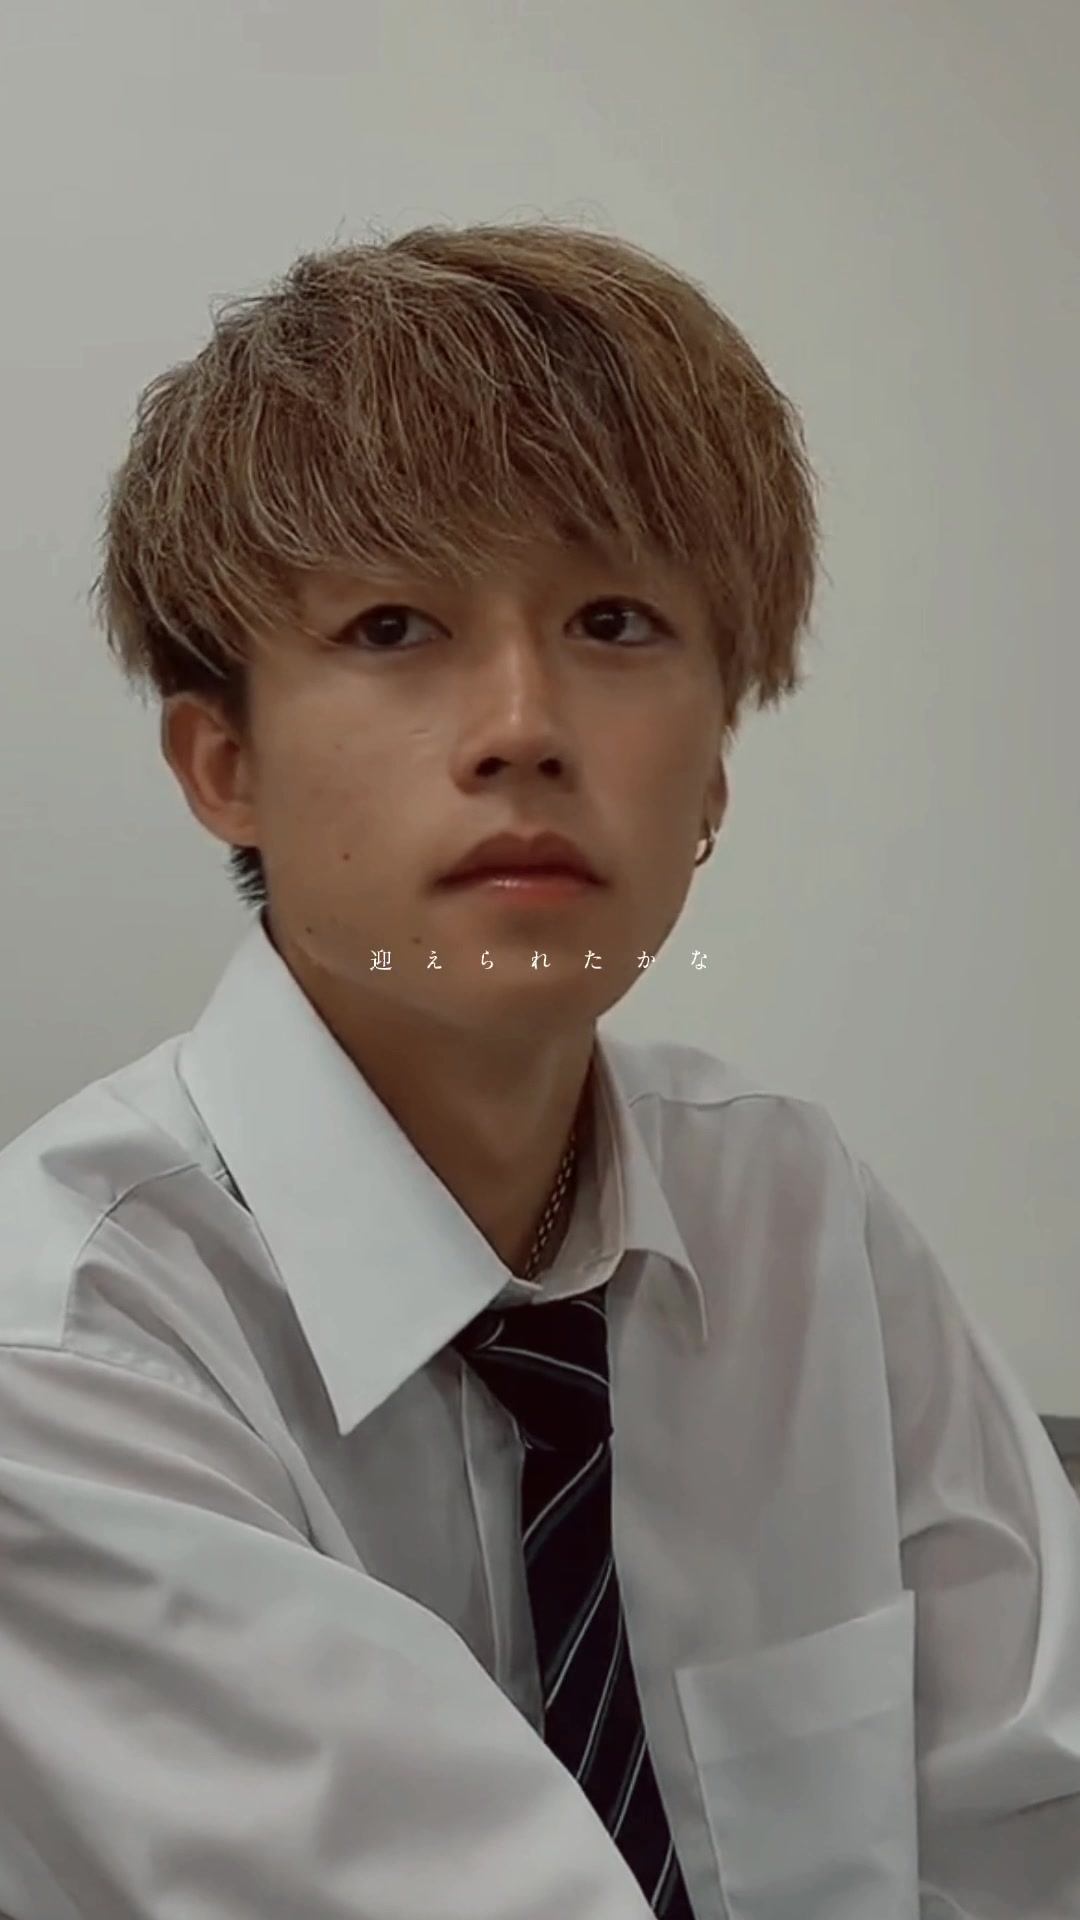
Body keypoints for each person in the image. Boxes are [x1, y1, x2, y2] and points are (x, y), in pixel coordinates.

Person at [0, 219, 1077, 1920]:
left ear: (712, 777)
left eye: (615, 619)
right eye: (392, 626)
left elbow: (1031, 1819)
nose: (523, 725)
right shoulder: (64, 1350)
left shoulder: (797, 1217)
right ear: (222, 764)